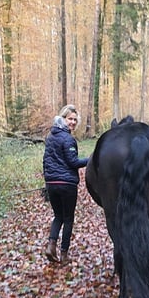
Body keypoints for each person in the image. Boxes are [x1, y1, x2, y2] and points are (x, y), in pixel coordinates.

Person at [42, 104, 88, 264]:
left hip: (52, 183)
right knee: (68, 219)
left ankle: (50, 245)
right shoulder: (68, 139)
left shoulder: (51, 136)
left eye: (75, 120)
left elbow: (45, 161)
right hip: (67, 184)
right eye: (70, 119)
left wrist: (47, 181)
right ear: (63, 118)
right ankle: (64, 254)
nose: (73, 122)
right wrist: (92, 159)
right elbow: (73, 162)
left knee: (58, 216)